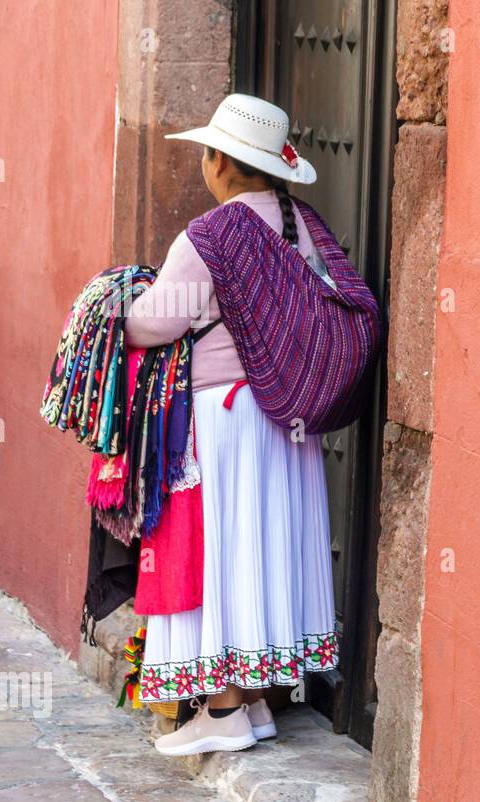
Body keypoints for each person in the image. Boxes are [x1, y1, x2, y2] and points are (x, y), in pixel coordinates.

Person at [125, 94, 339, 756]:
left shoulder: (210, 236)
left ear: (221, 160)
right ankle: (253, 702)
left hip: (231, 417)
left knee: (226, 549)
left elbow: (155, 323)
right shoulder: (304, 228)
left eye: (207, 153)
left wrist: (119, 303)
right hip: (290, 421)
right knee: (266, 547)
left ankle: (220, 711)